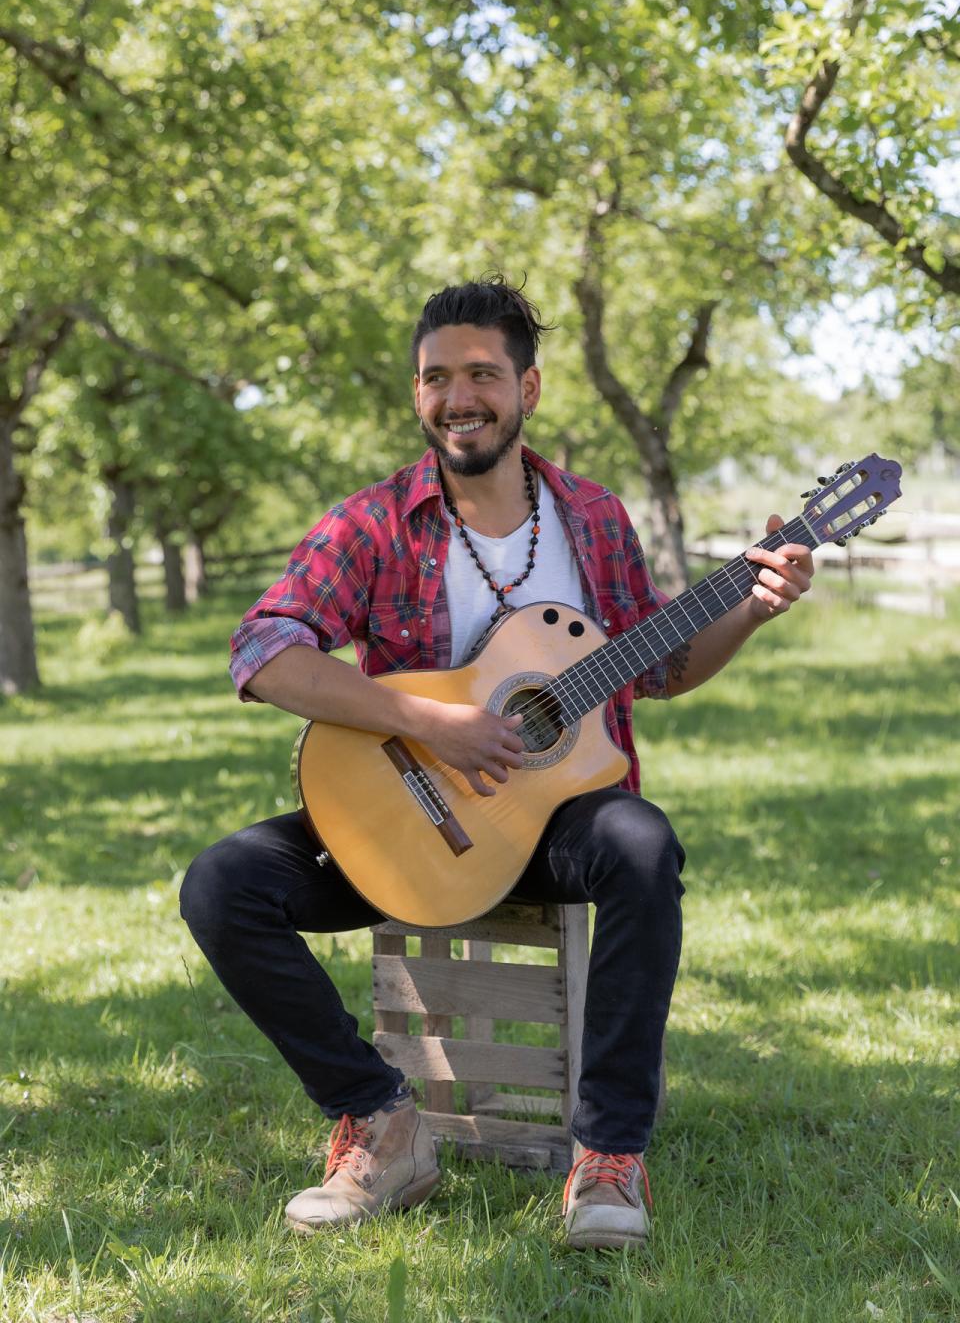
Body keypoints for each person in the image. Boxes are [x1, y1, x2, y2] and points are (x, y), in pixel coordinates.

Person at [179, 277, 814, 1250]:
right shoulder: (375, 522)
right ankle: (380, 1123)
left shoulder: (593, 517)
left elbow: (663, 664)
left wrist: (752, 606)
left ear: (530, 388)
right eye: (436, 377)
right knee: (223, 883)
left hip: (559, 829)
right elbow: (263, 650)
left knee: (642, 846)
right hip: (410, 824)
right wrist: (429, 724)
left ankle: (607, 1158)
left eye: (482, 373)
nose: (458, 397)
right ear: (417, 394)